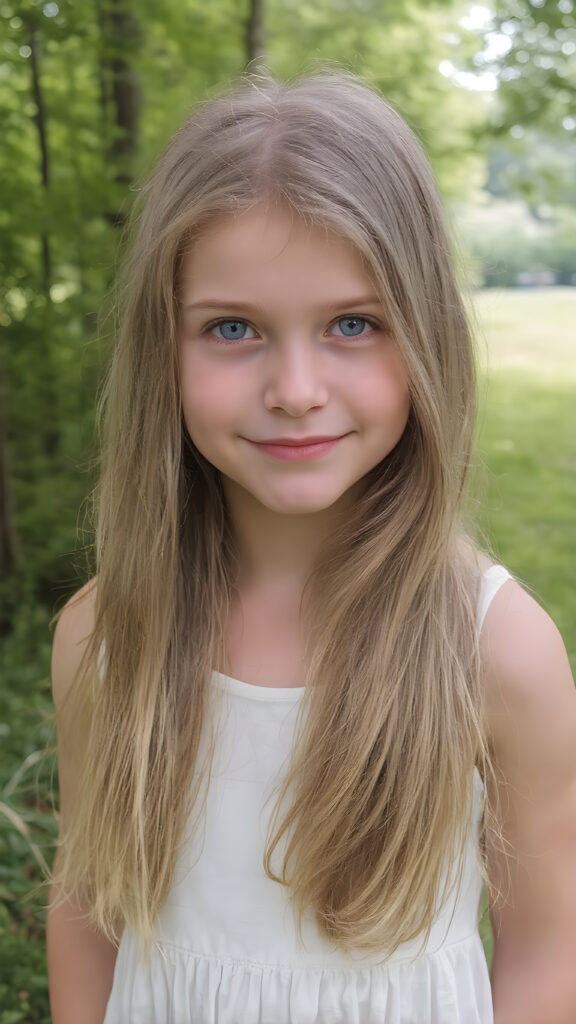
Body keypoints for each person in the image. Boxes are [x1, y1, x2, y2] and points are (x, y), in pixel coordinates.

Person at [46, 72, 576, 1024]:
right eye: (234, 328)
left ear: (429, 337)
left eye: (352, 325)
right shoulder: (105, 635)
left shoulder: (496, 648)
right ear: (160, 351)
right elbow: (89, 909)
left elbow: (549, 948)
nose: (295, 388)